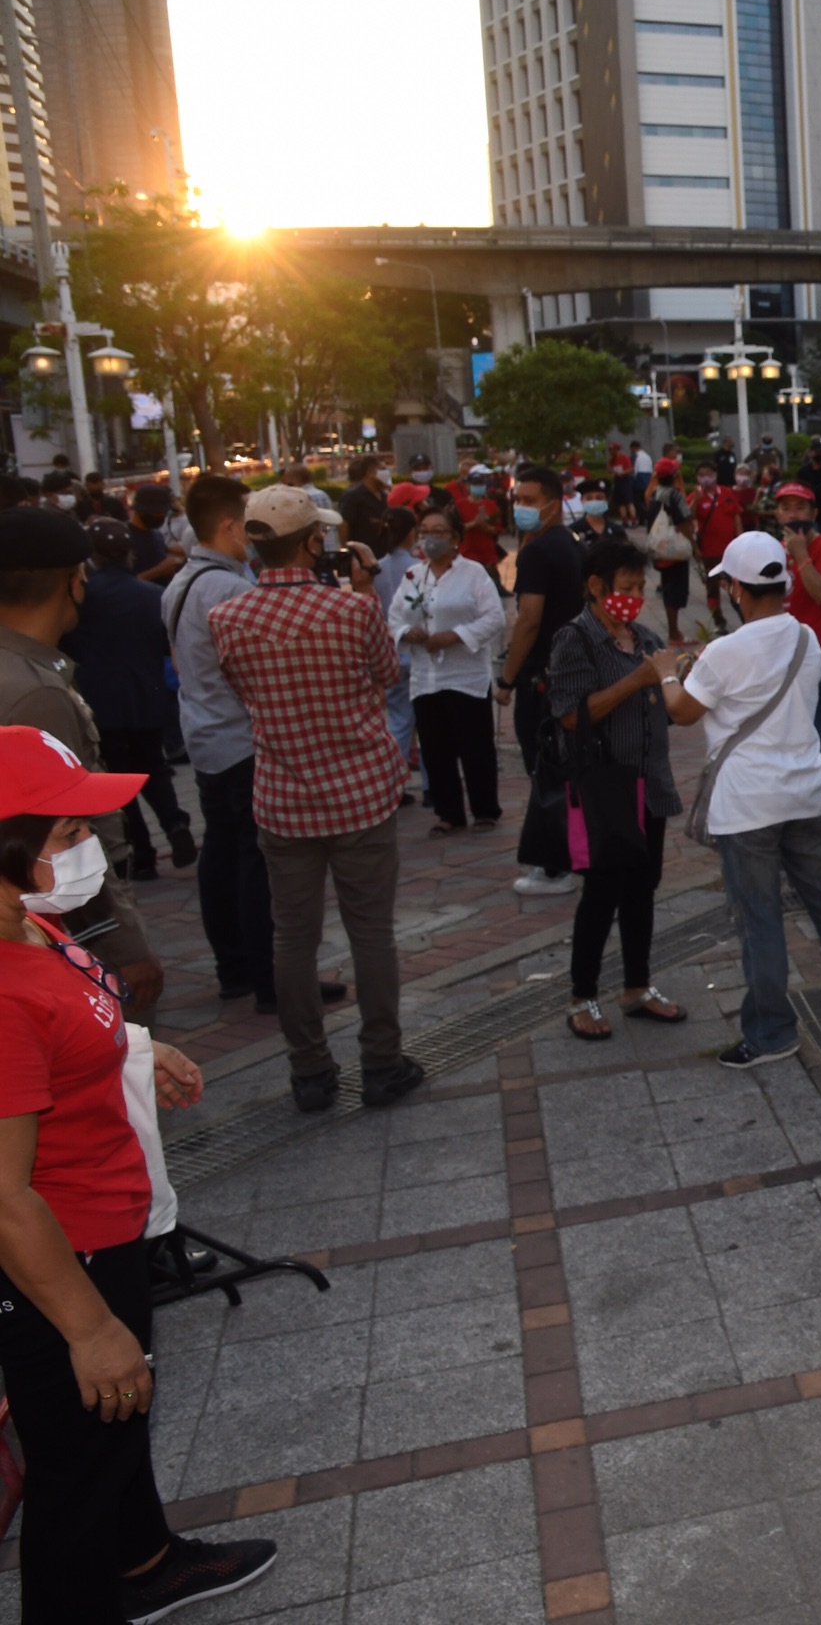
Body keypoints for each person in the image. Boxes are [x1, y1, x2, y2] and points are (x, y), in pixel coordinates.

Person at [0, 726, 283, 1622]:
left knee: (115, 1434)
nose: (90, 845)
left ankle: (146, 1561)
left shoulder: (28, 918)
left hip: (108, 1222)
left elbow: (66, 1022)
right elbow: (4, 1197)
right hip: (63, 1260)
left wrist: (131, 1053)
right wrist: (88, 1330)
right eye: (68, 832)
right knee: (75, 1472)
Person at [208, 486, 424, 1114]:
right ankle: (381, 1063)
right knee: (371, 935)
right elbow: (388, 674)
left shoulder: (227, 619)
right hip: (360, 794)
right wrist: (360, 588)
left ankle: (309, 1071)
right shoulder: (352, 610)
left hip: (283, 798)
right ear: (311, 542)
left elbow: (240, 690)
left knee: (292, 940)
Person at [652, 531, 821, 1065]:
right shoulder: (806, 638)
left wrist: (666, 674)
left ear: (737, 588)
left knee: (759, 918)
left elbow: (682, 711)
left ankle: (770, 1033)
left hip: (748, 805)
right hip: (805, 793)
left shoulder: (725, 651)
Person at [165, 475, 320, 1016]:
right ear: (231, 527)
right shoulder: (230, 590)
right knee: (258, 861)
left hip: (206, 735)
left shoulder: (180, 583)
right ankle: (271, 978)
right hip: (240, 738)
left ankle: (233, 969)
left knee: (222, 852)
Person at [0, 511, 162, 1017]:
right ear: (74, 582)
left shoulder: (25, 670)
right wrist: (123, 943)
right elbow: (65, 834)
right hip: (58, 921)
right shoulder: (35, 692)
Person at [545, 537, 684, 1040]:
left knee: (643, 888)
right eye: (626, 587)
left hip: (651, 783)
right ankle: (582, 995)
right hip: (606, 788)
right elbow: (570, 715)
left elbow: (667, 705)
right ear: (596, 586)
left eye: (641, 587)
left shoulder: (644, 637)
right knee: (602, 892)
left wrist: (680, 677)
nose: (635, 597)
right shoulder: (575, 640)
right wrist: (638, 681)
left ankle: (637, 986)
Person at [61, 519, 194, 883]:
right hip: (147, 697)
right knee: (153, 766)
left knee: (119, 779)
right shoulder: (150, 595)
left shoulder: (83, 599)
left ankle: (143, 854)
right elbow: (164, 645)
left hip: (102, 702)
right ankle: (175, 821)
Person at [388, 505, 505, 836]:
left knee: (475, 746)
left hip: (465, 676)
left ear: (455, 538)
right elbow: (394, 618)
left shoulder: (473, 573)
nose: (429, 538)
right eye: (424, 532)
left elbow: (494, 618)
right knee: (436, 748)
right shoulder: (414, 576)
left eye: (438, 532)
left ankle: (485, 809)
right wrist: (406, 632)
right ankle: (448, 813)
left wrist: (455, 636)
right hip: (426, 677)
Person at [497, 465, 586, 897]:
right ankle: (575, 854)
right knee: (566, 768)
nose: (522, 508)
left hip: (542, 675)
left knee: (546, 770)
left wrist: (507, 677)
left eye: (530, 501)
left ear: (554, 503)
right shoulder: (570, 544)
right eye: (518, 499)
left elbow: (529, 619)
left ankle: (555, 867)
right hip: (570, 670)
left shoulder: (537, 551)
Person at [771, 481, 821, 824]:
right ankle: (798, 801)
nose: (794, 514)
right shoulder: (773, 551)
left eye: (801, 507)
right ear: (777, 514)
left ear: (814, 513)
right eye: (786, 508)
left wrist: (802, 555)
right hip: (781, 658)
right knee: (788, 734)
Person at [372, 506, 423, 804]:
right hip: (417, 650)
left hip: (390, 652)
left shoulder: (376, 569)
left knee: (399, 721)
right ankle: (432, 786)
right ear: (411, 532)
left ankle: (394, 784)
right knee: (427, 723)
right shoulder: (419, 568)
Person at [689, 461, 748, 633]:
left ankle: (746, 618)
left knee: (735, 587)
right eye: (701, 475)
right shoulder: (696, 496)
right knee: (712, 589)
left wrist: (741, 540)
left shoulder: (727, 493)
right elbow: (688, 518)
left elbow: (736, 517)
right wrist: (695, 501)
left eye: (709, 473)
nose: (705, 478)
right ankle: (719, 621)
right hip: (709, 552)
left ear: (715, 475)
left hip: (730, 550)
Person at [645, 457, 695, 642]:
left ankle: (674, 630)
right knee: (676, 590)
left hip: (661, 549)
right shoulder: (674, 495)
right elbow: (684, 520)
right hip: (675, 551)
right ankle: (674, 632)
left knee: (668, 587)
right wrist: (694, 546)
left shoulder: (655, 494)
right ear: (674, 476)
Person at [335, 454, 392, 555]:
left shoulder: (384, 496)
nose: (386, 473)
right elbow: (344, 525)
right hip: (361, 556)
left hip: (384, 555)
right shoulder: (353, 497)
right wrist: (345, 551)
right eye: (382, 469)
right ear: (369, 472)